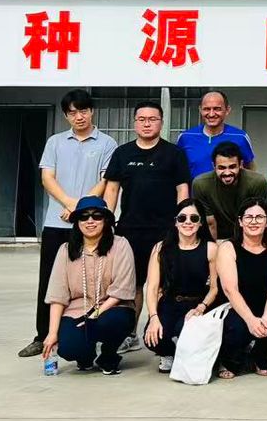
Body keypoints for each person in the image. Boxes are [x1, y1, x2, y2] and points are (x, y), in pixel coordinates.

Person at [21, 89, 116, 359]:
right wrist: (69, 204)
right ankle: (43, 336)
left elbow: (105, 180)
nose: (79, 117)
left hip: (90, 223)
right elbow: (47, 178)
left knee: (94, 280)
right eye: (72, 112)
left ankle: (88, 332)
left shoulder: (106, 143)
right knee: (50, 280)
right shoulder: (55, 142)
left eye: (83, 111)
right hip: (56, 222)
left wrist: (80, 208)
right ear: (66, 116)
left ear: (92, 111)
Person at [104, 100, 191, 340]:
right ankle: (129, 334)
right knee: (132, 285)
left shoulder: (174, 154)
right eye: (142, 119)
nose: (147, 124)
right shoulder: (122, 153)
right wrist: (107, 222)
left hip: (165, 231)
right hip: (129, 230)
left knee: (163, 285)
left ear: (161, 123)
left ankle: (162, 336)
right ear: (134, 123)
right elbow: (112, 189)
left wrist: (181, 223)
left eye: (152, 119)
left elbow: (182, 189)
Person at [40, 196, 137, 374]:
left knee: (111, 322)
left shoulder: (120, 245)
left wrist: (94, 316)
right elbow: (58, 295)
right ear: (77, 222)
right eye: (84, 217)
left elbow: (121, 289)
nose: (90, 221)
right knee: (68, 348)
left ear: (106, 220)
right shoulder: (65, 250)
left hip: (112, 307)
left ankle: (108, 356)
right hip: (78, 310)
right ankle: (85, 356)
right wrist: (52, 333)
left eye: (97, 216)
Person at [141, 198, 219, 373]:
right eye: (182, 218)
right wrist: (153, 317)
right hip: (169, 303)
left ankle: (192, 353)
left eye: (194, 218)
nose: (188, 222)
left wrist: (201, 307)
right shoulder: (160, 248)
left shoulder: (211, 248)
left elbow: (215, 288)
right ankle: (169, 353)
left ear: (201, 223)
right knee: (153, 337)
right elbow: (152, 287)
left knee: (184, 331)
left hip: (198, 304)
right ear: (175, 222)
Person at [216, 197, 267, 377]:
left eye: (259, 217)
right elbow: (230, 289)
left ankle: (259, 356)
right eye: (248, 217)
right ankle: (227, 361)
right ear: (240, 222)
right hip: (233, 306)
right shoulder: (228, 247)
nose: (254, 221)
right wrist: (250, 320)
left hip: (263, 304)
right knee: (237, 327)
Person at [192, 141, 267, 243]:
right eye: (221, 168)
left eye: (232, 167)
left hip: (249, 234)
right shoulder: (201, 184)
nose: (227, 173)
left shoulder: (256, 182)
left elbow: (261, 218)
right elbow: (210, 223)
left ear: (241, 164)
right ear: (213, 166)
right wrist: (213, 248)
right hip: (218, 235)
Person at [175, 90, 255, 178]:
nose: (211, 114)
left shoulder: (240, 137)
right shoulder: (185, 137)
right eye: (207, 109)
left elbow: (250, 170)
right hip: (194, 187)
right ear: (200, 110)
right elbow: (177, 170)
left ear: (227, 110)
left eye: (217, 109)